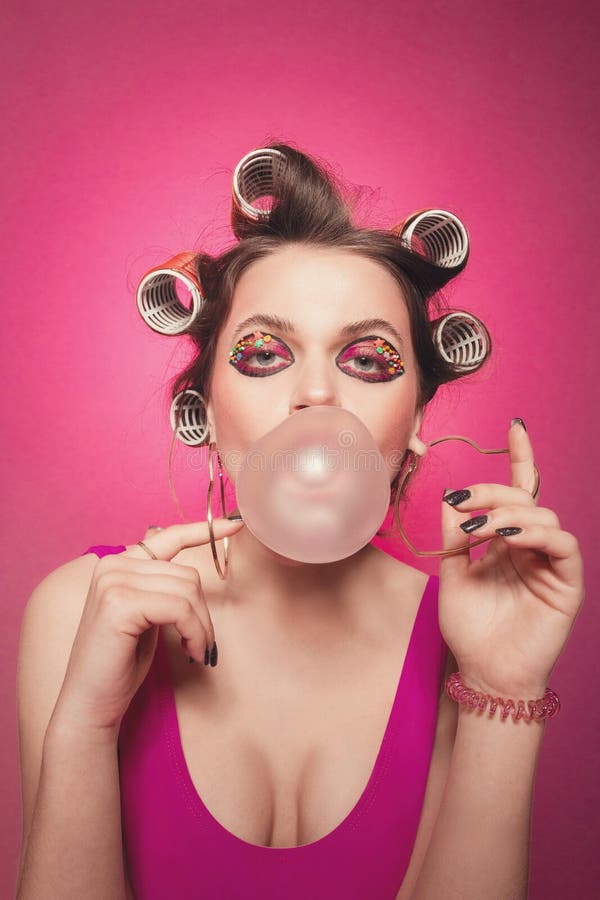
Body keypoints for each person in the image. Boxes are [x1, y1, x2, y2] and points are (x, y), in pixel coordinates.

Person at [15, 144, 584, 900]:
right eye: (261, 353)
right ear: (207, 412)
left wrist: (503, 687)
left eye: (370, 359)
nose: (316, 393)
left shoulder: (463, 637)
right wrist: (83, 727)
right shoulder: (85, 608)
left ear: (417, 413)